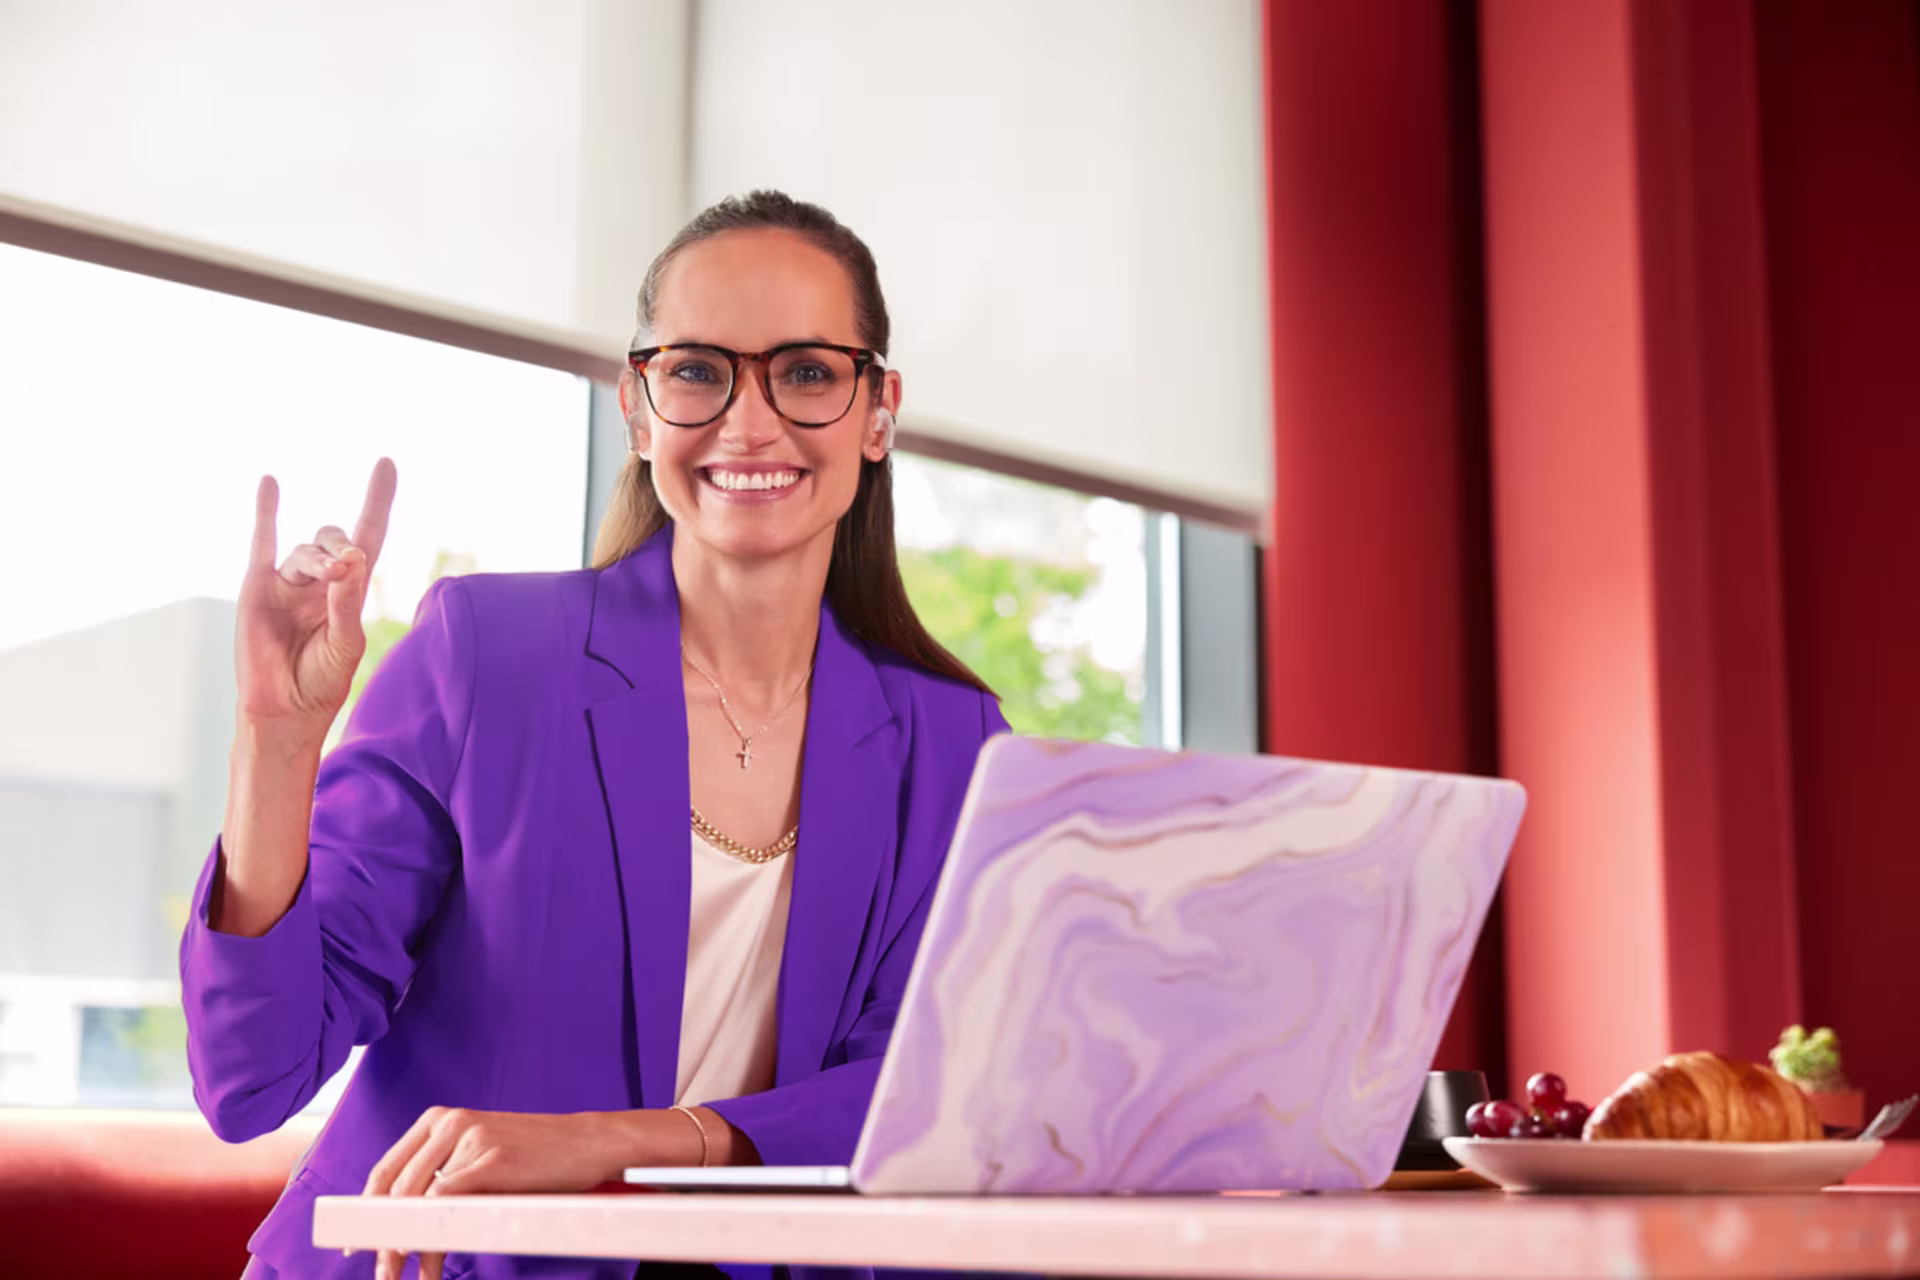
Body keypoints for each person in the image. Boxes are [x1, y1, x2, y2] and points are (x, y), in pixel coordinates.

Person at [181, 191, 1009, 1280]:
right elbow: (253, 1073)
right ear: (638, 404)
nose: (748, 422)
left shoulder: (951, 743)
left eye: (806, 371)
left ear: (878, 410)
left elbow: (922, 1088)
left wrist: (624, 1139)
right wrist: (275, 747)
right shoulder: (487, 652)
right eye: (699, 370)